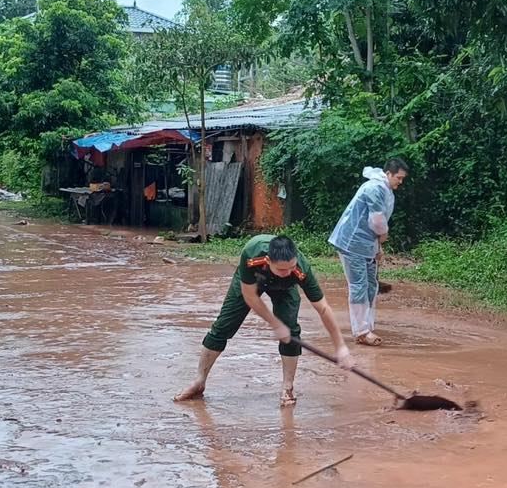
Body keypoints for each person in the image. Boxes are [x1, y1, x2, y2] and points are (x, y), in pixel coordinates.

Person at [173, 234, 354, 407]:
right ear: (268, 261)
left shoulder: (300, 270)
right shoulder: (252, 254)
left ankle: (287, 388)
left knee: (290, 332)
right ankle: (199, 381)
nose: (289, 272)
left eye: (292, 267)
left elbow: (323, 308)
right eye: (282, 269)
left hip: (285, 289)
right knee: (223, 327)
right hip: (253, 282)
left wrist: (341, 347)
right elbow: (250, 297)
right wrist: (275, 324)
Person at [328, 158, 408, 347]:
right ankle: (361, 331)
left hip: (366, 244)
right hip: (351, 243)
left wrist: (377, 248)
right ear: (388, 173)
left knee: (371, 284)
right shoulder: (374, 189)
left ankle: (367, 325)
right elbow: (378, 221)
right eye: (398, 177)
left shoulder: (385, 190)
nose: (400, 182)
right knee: (359, 285)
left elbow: (376, 225)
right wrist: (383, 237)